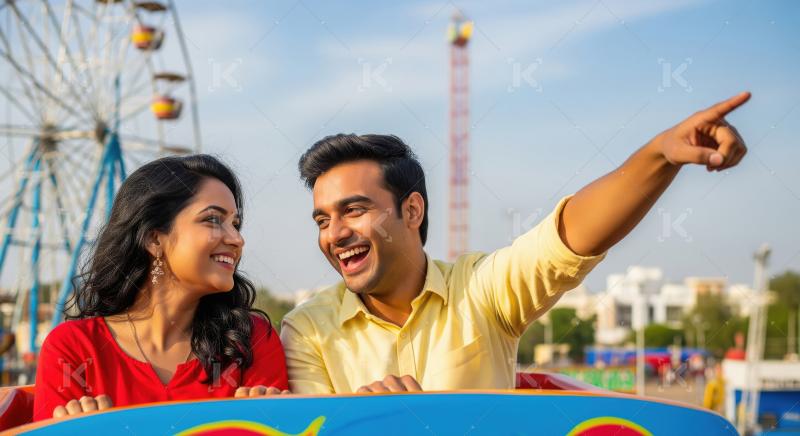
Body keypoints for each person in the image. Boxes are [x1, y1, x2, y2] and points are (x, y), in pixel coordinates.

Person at [281, 92, 751, 394]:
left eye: (354, 210)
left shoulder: (480, 291)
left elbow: (567, 237)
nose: (334, 234)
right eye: (323, 219)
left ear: (412, 210)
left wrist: (660, 154)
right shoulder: (307, 330)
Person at [33, 155, 288, 421]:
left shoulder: (251, 340)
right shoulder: (74, 348)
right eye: (213, 220)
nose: (237, 239)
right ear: (154, 239)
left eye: (235, 224)